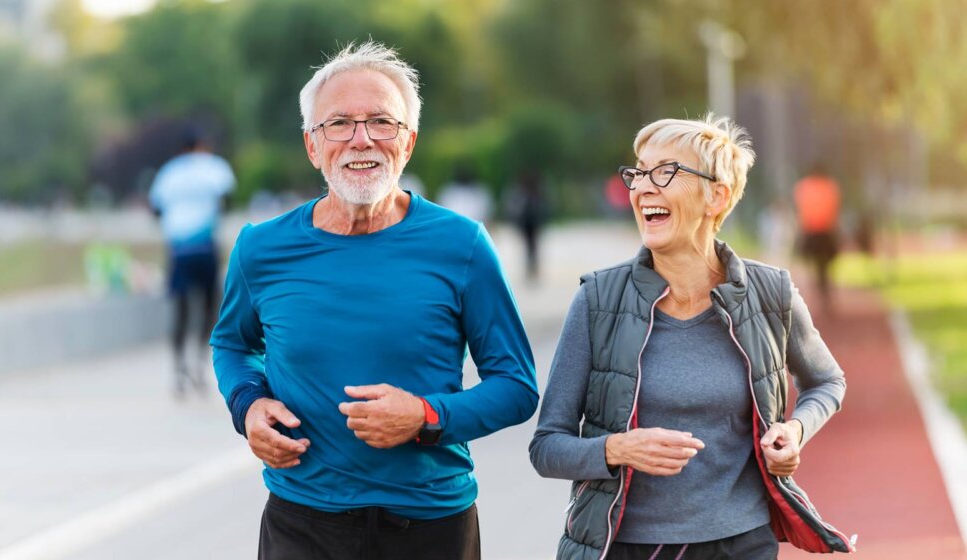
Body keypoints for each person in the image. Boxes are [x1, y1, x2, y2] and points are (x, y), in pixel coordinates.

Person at [210, 41, 538, 560]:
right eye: (338, 123)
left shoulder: (463, 244)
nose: (361, 140)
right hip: (302, 523)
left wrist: (427, 416)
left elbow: (517, 386)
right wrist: (247, 403)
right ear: (312, 146)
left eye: (381, 122)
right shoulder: (261, 248)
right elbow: (232, 345)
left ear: (407, 142)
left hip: (431, 525)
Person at [529, 114, 853, 559]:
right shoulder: (597, 300)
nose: (642, 187)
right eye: (638, 173)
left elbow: (827, 381)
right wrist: (617, 448)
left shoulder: (771, 293)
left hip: (743, 542)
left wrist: (795, 431)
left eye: (664, 172)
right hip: (627, 547)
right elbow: (547, 446)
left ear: (715, 196)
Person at [148, 130, 234, 398]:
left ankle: (178, 368)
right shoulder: (214, 166)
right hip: (205, 245)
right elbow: (226, 200)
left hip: (178, 249)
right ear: (201, 145)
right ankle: (200, 362)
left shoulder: (168, 173)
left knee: (181, 309)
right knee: (210, 307)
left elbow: (155, 209)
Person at [793, 163, 842, 312]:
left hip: (811, 232)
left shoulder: (803, 187)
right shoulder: (831, 187)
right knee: (825, 267)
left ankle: (820, 288)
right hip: (826, 232)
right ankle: (825, 289)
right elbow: (835, 211)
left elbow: (800, 212)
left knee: (815, 265)